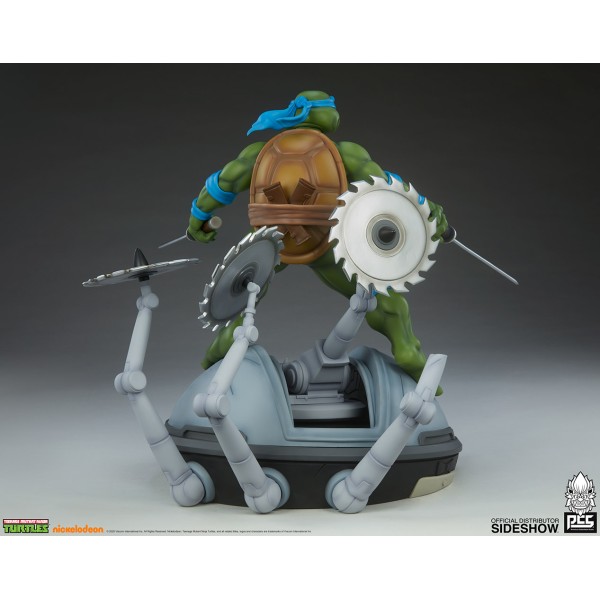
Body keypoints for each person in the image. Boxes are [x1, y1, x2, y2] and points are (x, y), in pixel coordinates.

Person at [187, 90, 448, 385]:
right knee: (384, 303)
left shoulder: (259, 153)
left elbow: (223, 182)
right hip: (324, 242)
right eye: (328, 104)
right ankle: (406, 348)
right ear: (310, 112)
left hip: (268, 243)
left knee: (241, 294)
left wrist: (198, 217)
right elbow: (385, 188)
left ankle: (224, 343)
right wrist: (424, 209)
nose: (334, 109)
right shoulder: (345, 153)